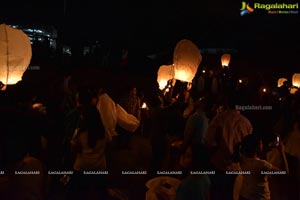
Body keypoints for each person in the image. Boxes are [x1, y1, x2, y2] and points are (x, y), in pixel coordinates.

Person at [204, 95, 252, 200]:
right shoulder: (246, 123)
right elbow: (249, 147)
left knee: (216, 194)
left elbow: (208, 141)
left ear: (227, 104)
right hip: (237, 167)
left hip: (218, 164)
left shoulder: (218, 119)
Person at [67, 89, 108, 200]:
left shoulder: (80, 133)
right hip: (100, 167)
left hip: (82, 166)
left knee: (80, 193)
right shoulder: (104, 132)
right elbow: (108, 147)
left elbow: (73, 150)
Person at [239, 134, 289, 200]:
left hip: (244, 196)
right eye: (261, 143)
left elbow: (255, 159)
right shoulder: (263, 164)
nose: (262, 145)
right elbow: (285, 172)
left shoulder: (242, 159)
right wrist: (281, 151)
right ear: (257, 147)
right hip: (260, 197)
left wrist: (267, 149)